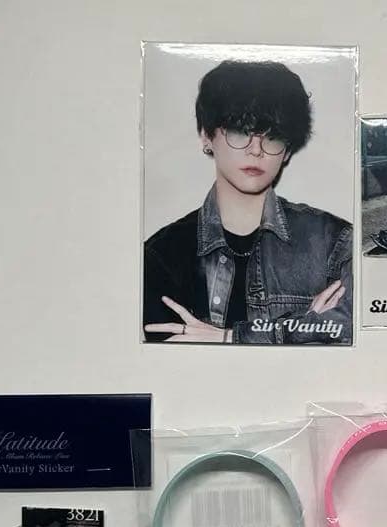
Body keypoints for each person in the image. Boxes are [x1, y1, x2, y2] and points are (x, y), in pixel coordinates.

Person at [143, 60, 352, 345]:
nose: (256, 150)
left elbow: (358, 327)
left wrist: (231, 337)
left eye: (273, 137)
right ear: (206, 136)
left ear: (287, 150)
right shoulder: (161, 255)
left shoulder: (332, 241)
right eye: (240, 132)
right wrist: (304, 325)